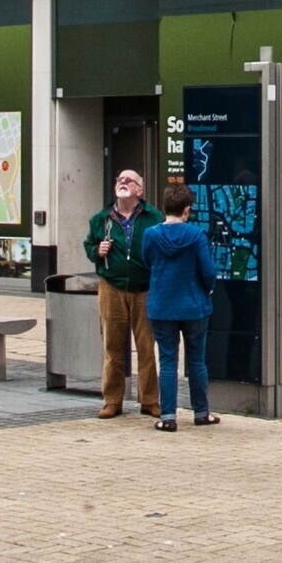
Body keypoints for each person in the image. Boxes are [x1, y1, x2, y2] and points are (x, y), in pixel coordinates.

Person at [141, 182, 219, 431]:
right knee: (196, 360)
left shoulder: (151, 235)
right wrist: (207, 289)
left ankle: (168, 416)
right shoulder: (196, 236)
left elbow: (146, 261)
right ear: (187, 210)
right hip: (194, 306)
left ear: (165, 208)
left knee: (167, 361)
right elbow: (208, 271)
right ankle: (201, 412)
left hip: (162, 306)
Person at [83, 169, 158, 419]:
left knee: (146, 346)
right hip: (111, 286)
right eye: (119, 180)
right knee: (113, 346)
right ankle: (112, 400)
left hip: (144, 288)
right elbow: (88, 246)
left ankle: (149, 400)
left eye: (129, 181)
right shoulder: (101, 218)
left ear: (140, 190)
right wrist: (97, 251)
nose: (123, 183)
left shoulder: (152, 217)